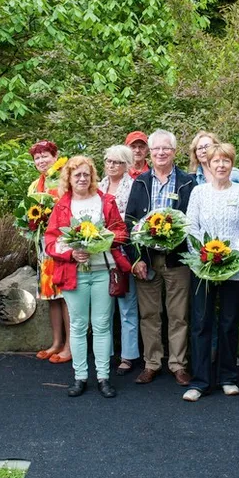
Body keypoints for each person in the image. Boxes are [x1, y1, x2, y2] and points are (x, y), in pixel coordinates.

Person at [45, 156, 131, 398]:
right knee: (78, 325)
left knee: (102, 325)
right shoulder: (62, 206)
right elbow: (50, 241)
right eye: (77, 175)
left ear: (92, 177)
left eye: (86, 174)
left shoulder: (106, 201)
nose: (82, 179)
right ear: (69, 179)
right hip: (74, 273)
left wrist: (103, 239)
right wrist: (71, 253)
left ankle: (103, 377)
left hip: (103, 271)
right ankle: (80, 376)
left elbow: (121, 232)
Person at [182, 144, 239, 401]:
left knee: (228, 323)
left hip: (235, 268)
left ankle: (228, 377)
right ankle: (200, 382)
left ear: (232, 164)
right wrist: (203, 257)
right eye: (216, 161)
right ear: (208, 165)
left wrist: (234, 258)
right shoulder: (199, 192)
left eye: (226, 161)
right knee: (201, 323)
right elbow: (191, 227)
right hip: (203, 267)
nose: (221, 165)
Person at [125, 129, 196, 386]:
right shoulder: (141, 182)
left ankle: (178, 364)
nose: (161, 153)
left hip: (177, 259)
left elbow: (194, 220)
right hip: (148, 259)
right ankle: (152, 363)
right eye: (156, 149)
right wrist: (136, 259)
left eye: (166, 148)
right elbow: (130, 221)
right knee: (149, 315)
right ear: (150, 152)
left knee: (179, 315)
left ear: (174, 152)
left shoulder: (188, 182)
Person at [28, 140, 71, 364]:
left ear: (55, 157)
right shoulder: (35, 185)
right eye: (37, 157)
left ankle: (70, 346)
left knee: (66, 296)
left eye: (45, 155)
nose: (41, 160)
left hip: (63, 245)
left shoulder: (65, 178)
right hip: (44, 247)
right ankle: (56, 342)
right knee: (51, 296)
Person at [98, 145, 140, 376]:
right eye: (108, 161)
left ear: (126, 165)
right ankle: (104, 352)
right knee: (104, 307)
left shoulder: (133, 186)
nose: (111, 165)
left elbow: (134, 220)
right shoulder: (98, 186)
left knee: (126, 304)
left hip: (123, 251)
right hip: (99, 253)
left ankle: (128, 355)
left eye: (117, 162)